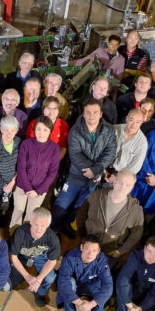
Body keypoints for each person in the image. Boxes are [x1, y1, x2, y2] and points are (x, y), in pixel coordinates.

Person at [51, 99, 116, 236]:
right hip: (76, 175)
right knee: (60, 208)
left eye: (95, 112)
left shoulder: (109, 130)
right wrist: (94, 169)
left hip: (94, 179)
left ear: (101, 114)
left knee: (78, 208)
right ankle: (54, 230)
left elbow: (110, 152)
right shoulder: (75, 130)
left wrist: (96, 170)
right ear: (84, 114)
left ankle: (67, 224)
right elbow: (75, 155)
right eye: (88, 112)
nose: (92, 115)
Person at [75, 169, 144, 267]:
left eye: (128, 185)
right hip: (89, 247)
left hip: (110, 253)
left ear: (132, 187)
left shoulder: (136, 210)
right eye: (120, 183)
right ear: (115, 181)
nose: (123, 187)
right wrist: (83, 236)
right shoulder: (97, 195)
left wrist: (120, 251)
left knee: (99, 280)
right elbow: (81, 215)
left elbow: (137, 233)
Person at [57, 234, 113, 311]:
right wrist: (79, 303)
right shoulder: (70, 257)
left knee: (101, 290)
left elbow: (108, 286)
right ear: (81, 247)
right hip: (75, 285)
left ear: (98, 251)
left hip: (90, 285)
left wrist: (91, 304)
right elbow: (63, 283)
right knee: (69, 285)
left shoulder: (102, 260)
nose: (90, 254)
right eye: (87, 249)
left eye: (94, 250)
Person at [108, 109, 148, 179]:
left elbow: (135, 167)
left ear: (142, 122)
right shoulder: (114, 129)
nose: (134, 124)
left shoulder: (142, 142)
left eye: (138, 122)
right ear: (127, 118)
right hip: (102, 169)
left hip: (120, 177)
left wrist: (118, 178)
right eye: (131, 120)